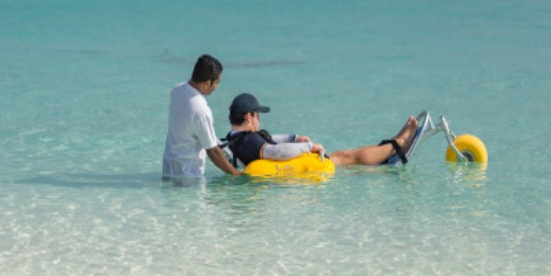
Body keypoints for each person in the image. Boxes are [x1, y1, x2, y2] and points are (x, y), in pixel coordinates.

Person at [223, 93, 419, 168]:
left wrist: (293, 137)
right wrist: (308, 147)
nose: (260, 118)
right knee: (348, 156)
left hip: (293, 166)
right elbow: (276, 151)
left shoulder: (235, 138)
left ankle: (391, 146)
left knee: (348, 160)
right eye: (258, 114)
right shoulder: (249, 142)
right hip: (300, 169)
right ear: (249, 116)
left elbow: (269, 139)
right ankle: (398, 144)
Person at [162, 55, 241, 178]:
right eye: (216, 82)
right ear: (207, 82)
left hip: (168, 169)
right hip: (189, 177)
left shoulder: (177, 90)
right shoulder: (201, 110)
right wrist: (235, 174)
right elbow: (213, 151)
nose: (217, 87)